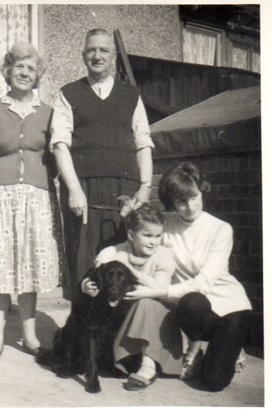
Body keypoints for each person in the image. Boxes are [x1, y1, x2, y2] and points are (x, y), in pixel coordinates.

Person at [119, 162, 252, 392]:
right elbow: (140, 235)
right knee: (192, 302)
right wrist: (130, 213)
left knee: (213, 383)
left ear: (201, 191)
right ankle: (194, 346)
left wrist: (154, 291)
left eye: (194, 197)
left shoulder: (221, 229)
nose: (190, 206)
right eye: (181, 201)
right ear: (172, 203)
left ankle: (231, 345)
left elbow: (203, 283)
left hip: (230, 307)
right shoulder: (167, 226)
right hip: (194, 307)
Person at [0, 42, 63, 362]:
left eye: (31, 68)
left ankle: (30, 336)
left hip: (36, 200)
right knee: (0, 269)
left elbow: (56, 155)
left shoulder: (49, 114)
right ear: (7, 72)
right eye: (19, 67)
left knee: (29, 269)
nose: (24, 73)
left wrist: (41, 186)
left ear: (38, 77)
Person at [50, 28, 154, 299]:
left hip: (125, 189)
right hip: (83, 189)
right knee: (83, 262)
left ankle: (121, 335)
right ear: (83, 55)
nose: (97, 56)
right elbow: (60, 144)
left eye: (103, 50)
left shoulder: (131, 95)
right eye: (91, 50)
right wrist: (73, 189)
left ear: (114, 56)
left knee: (124, 262)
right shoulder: (68, 93)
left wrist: (144, 187)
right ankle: (82, 336)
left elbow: (143, 142)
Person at [82, 204, 182, 390]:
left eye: (158, 236)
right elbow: (99, 268)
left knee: (145, 302)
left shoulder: (164, 256)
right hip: (129, 318)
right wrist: (87, 283)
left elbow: (160, 288)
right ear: (130, 235)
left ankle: (149, 363)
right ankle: (115, 356)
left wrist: (134, 274)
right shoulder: (117, 251)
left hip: (157, 315)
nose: (153, 242)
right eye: (147, 235)